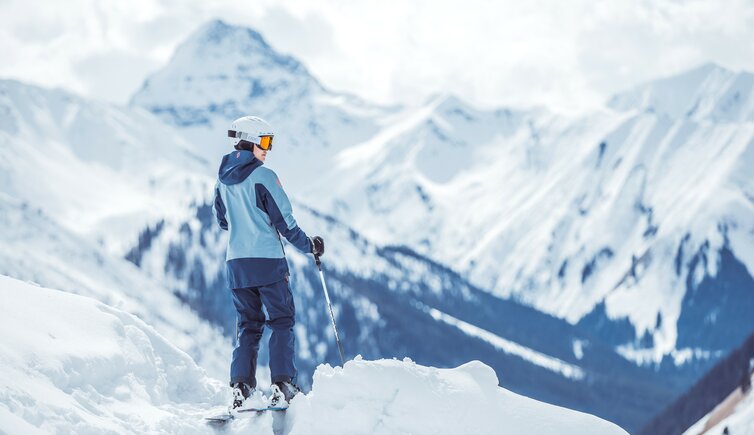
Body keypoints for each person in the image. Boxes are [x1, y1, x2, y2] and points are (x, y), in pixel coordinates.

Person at [214, 115, 325, 410]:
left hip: (236, 263)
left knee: (248, 325)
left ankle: (241, 388)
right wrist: (310, 246)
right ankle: (282, 385)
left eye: (270, 142)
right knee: (281, 320)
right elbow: (286, 224)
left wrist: (244, 221)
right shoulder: (264, 176)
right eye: (264, 141)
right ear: (250, 141)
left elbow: (223, 221)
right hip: (267, 262)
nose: (268, 148)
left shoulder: (223, 178)